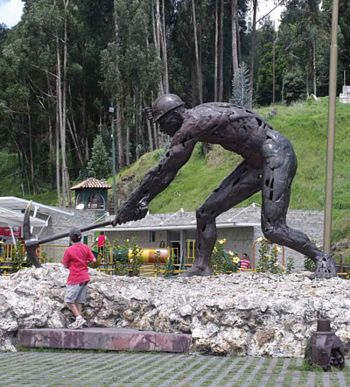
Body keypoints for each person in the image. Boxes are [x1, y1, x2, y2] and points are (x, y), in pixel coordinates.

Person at [112, 94, 336, 279]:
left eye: (162, 123)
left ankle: (321, 257)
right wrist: (139, 203)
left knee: (273, 229)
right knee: (205, 213)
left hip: (276, 155)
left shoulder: (194, 122)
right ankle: (202, 266)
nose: (162, 130)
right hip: (255, 162)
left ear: (174, 115)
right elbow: (165, 170)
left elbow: (166, 169)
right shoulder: (199, 114)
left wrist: (132, 204)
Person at [62, 227, 96, 329]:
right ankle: (79, 323)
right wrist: (85, 262)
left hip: (75, 278)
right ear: (80, 237)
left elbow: (65, 265)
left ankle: (79, 318)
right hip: (85, 277)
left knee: (69, 300)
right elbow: (93, 260)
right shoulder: (86, 248)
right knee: (79, 301)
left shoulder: (69, 250)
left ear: (70, 238)